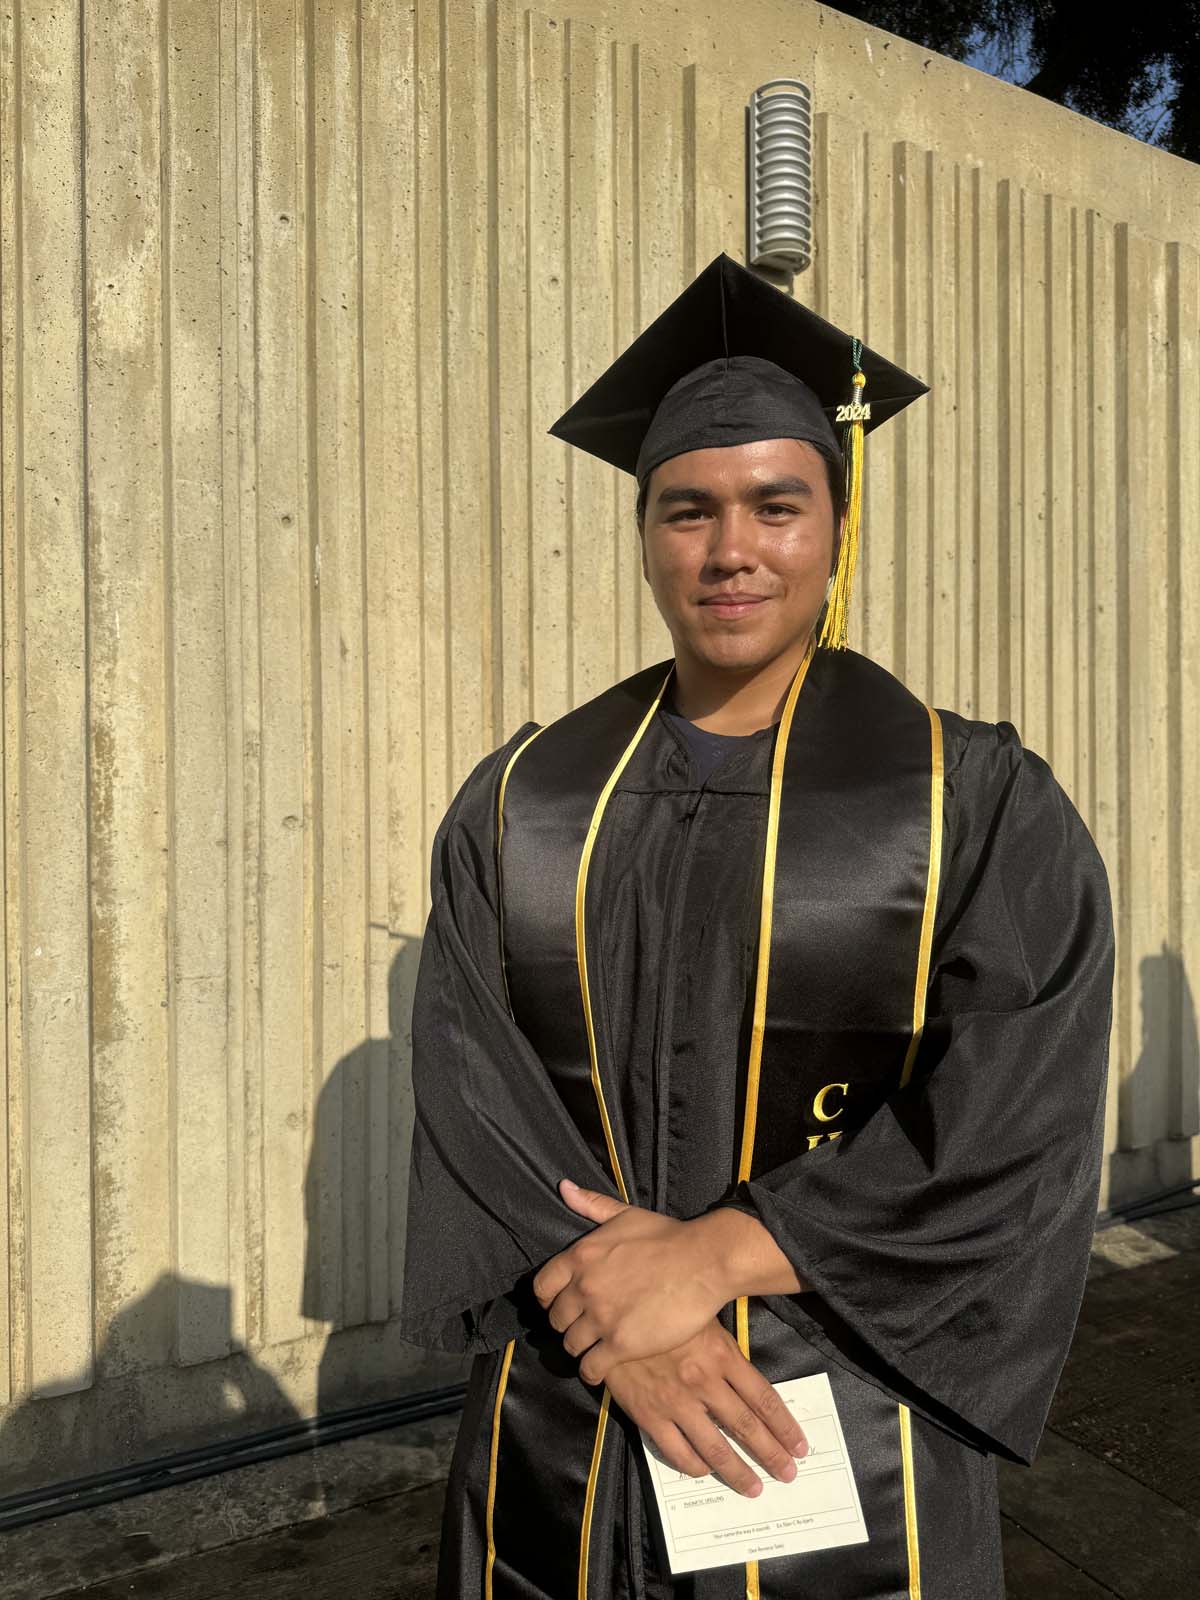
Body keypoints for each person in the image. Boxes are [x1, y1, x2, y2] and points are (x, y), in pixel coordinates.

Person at [401, 252, 1114, 1600]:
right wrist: (627, 1321)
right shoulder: (523, 800)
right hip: (577, 1398)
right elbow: (469, 1083)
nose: (731, 550)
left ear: (836, 523)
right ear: (645, 532)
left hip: (830, 1394)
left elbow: (1019, 1111)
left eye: (775, 506)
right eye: (688, 511)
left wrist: (715, 1258)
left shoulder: (973, 800)